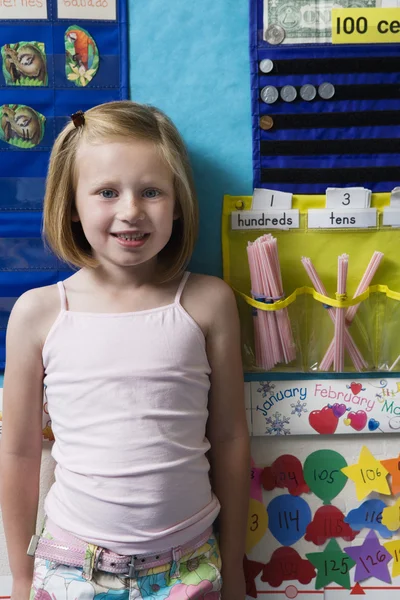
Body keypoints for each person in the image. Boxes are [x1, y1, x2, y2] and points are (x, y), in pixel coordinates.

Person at [1, 101, 250, 600]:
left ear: (178, 203)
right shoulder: (38, 313)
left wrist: (237, 570)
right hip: (71, 567)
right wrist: (21, 578)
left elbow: (229, 438)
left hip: (190, 566)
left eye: (152, 191)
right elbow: (19, 451)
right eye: (107, 192)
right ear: (71, 204)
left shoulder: (208, 302)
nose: (131, 211)